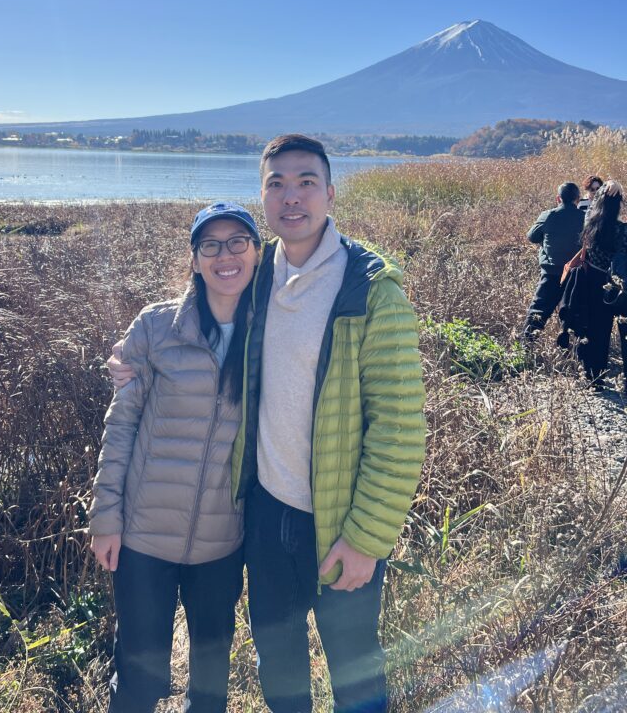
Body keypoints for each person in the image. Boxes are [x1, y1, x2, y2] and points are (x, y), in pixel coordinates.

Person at [110, 134, 426, 713]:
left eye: (306, 182)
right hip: (265, 514)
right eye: (277, 183)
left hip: (340, 519)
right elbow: (204, 303)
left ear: (331, 193)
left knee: (355, 670)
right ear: (263, 197)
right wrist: (136, 358)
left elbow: (400, 427)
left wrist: (366, 539)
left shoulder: (370, 290)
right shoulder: (259, 278)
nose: (292, 196)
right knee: (279, 668)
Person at [89, 201, 261, 713]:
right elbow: (120, 426)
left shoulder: (271, 333)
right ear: (194, 259)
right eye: (210, 245)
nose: (224, 255)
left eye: (237, 242)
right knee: (139, 680)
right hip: (142, 537)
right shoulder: (157, 326)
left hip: (221, 541)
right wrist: (105, 516)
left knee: (210, 683)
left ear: (256, 252)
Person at [559, 180, 627, 384]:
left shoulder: (589, 225)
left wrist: (608, 189)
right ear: (619, 205)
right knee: (625, 334)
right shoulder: (623, 230)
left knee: (596, 332)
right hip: (620, 286)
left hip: (594, 281)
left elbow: (594, 206)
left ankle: (593, 377)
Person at [522, 182, 584, 341]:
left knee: (538, 311)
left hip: (551, 272)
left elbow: (532, 237)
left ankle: (526, 346)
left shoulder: (547, 215)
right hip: (575, 275)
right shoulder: (585, 218)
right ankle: (573, 351)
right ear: (578, 199)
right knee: (574, 314)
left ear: (558, 198)